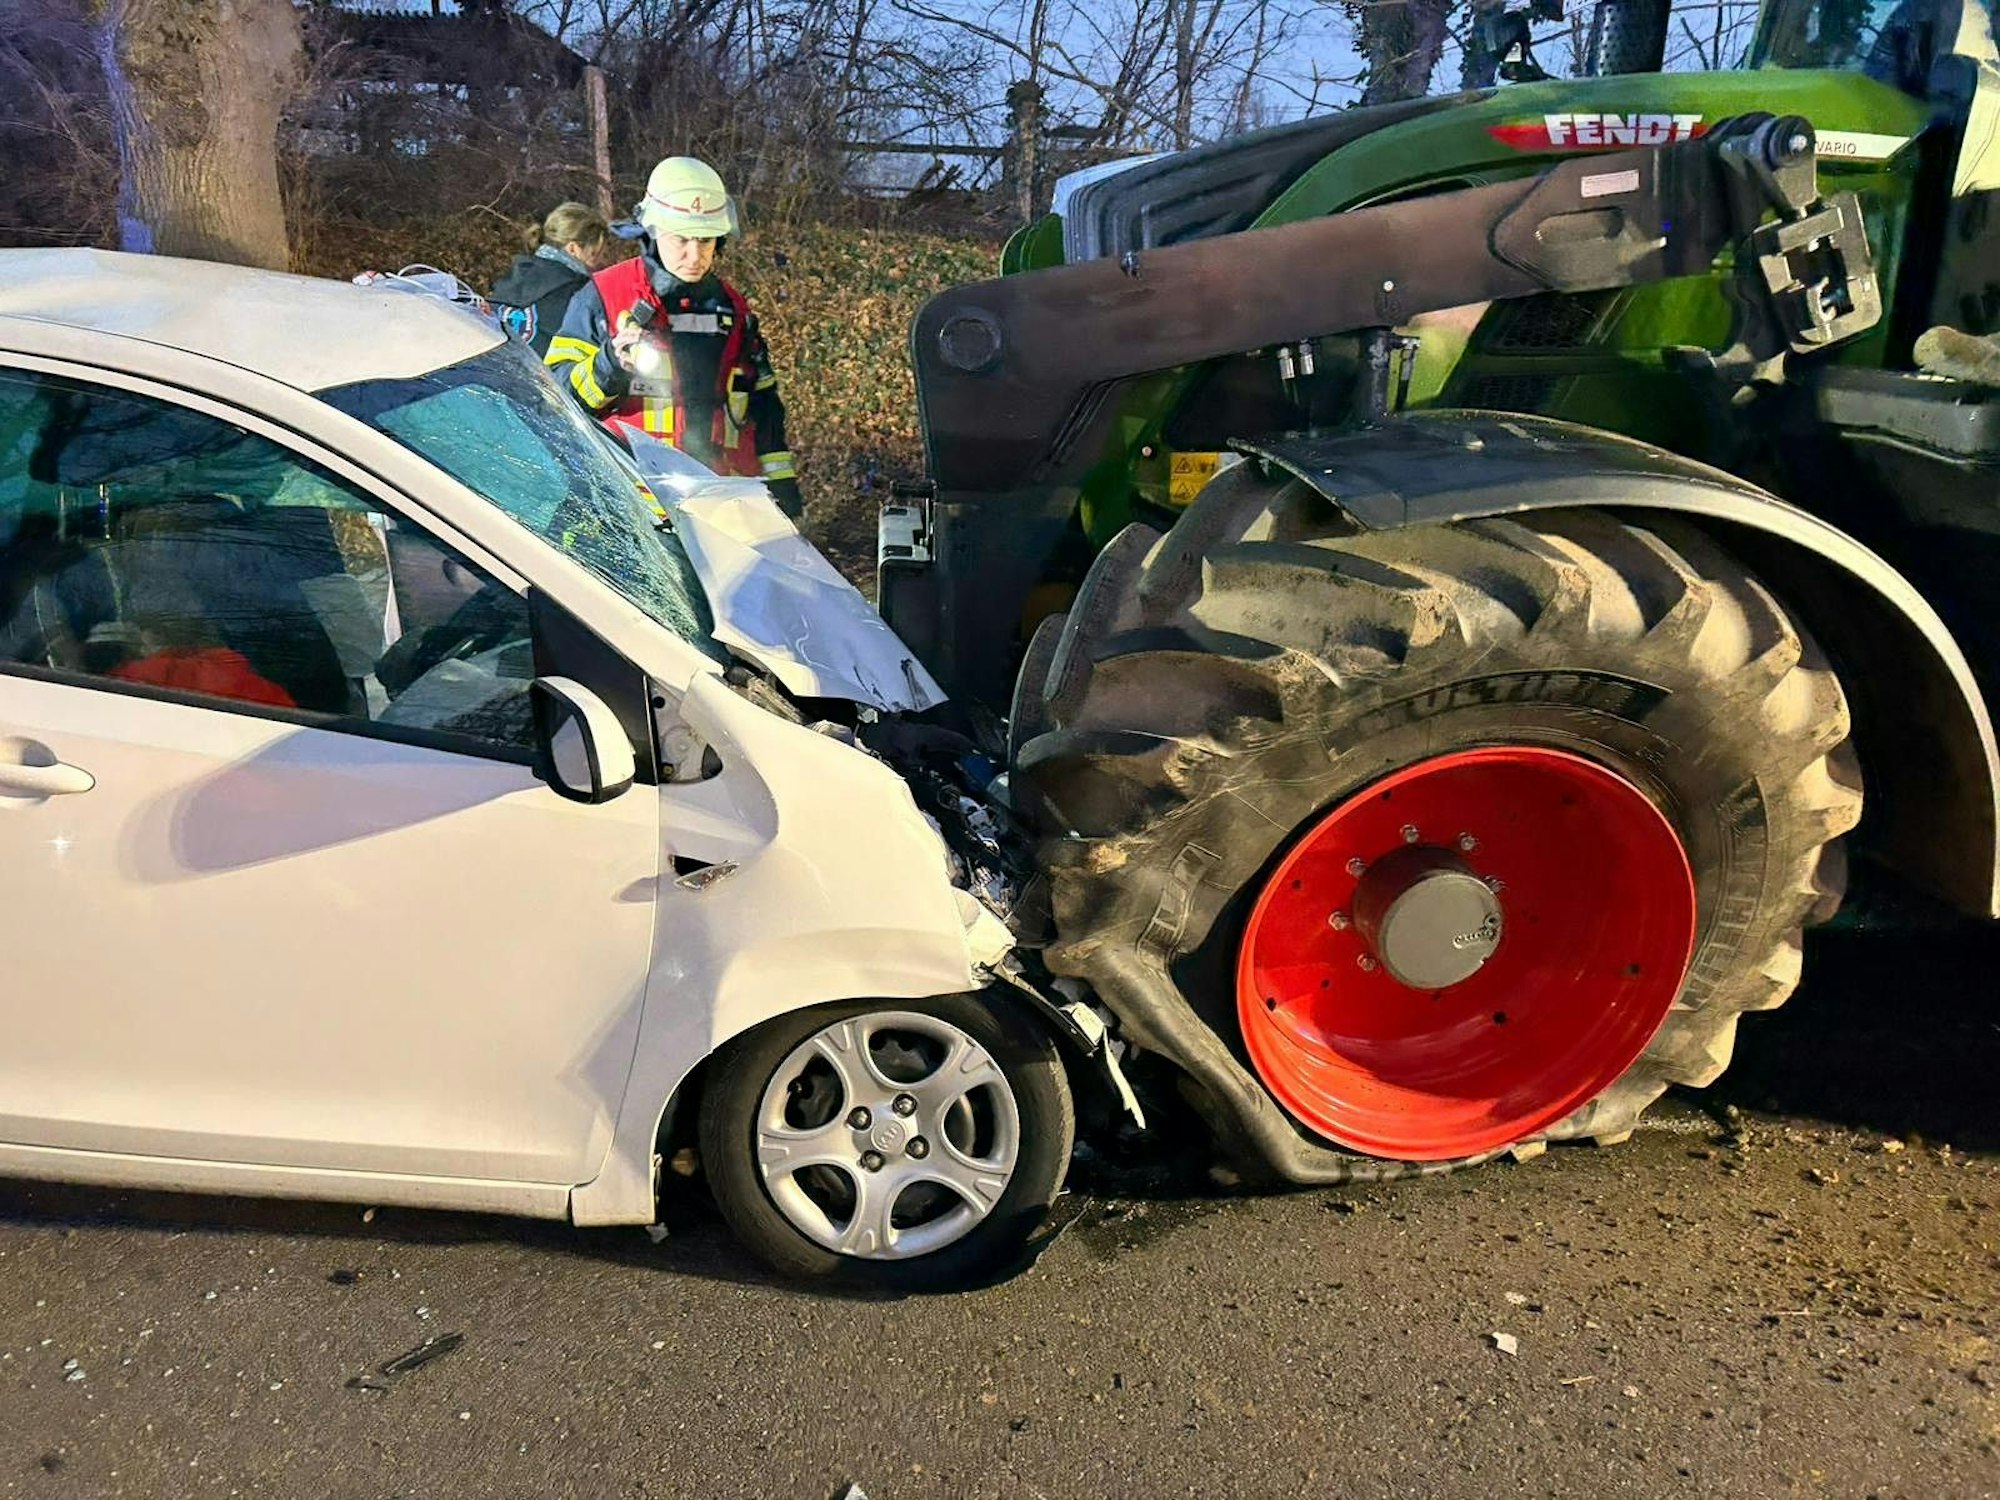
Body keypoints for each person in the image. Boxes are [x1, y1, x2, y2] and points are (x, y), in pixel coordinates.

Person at [544, 157, 801, 518]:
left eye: (706, 240)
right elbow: (555, 398)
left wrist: (782, 488)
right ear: (652, 230)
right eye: (681, 239)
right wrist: (609, 365)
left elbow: (764, 406)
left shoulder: (732, 309)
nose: (695, 256)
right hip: (628, 511)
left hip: (714, 507)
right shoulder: (604, 296)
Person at [488, 203, 617, 358]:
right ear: (573, 248)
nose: (599, 262)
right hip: (548, 378)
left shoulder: (512, 276)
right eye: (595, 254)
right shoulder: (580, 293)